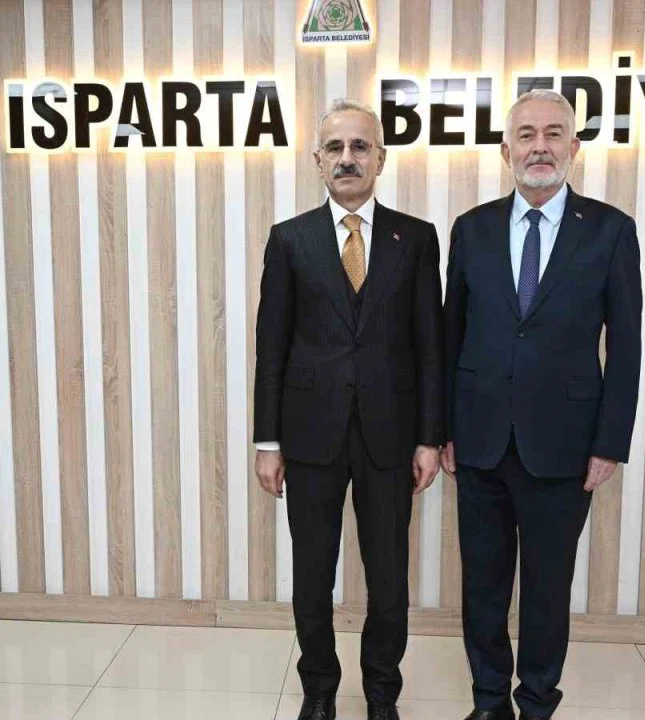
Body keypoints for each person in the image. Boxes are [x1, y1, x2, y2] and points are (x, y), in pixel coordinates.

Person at [442, 89, 643, 720]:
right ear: (506, 151)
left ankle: (535, 703)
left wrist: (610, 443)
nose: (540, 147)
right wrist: (442, 428)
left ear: (574, 147)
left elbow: (627, 346)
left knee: (547, 589)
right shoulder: (471, 229)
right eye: (526, 135)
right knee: (483, 585)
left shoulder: (611, 230)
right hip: (479, 440)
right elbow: (451, 336)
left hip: (566, 443)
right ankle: (488, 702)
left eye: (554, 133)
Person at [253, 98, 444, 720]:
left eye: (360, 146)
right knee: (313, 575)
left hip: (391, 437)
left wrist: (429, 437)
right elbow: (271, 347)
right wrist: (267, 442)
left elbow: (430, 347)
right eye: (335, 147)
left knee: (388, 579)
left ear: (380, 158)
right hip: (309, 437)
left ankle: (382, 694)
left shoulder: (416, 238)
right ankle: (319, 690)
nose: (347, 158)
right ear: (317, 160)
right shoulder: (290, 239)